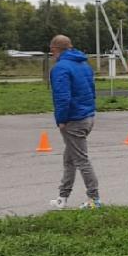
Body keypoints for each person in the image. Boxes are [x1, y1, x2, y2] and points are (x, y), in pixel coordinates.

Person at [47, 34, 100, 209]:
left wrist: (61, 119)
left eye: (51, 51)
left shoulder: (60, 68)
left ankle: (94, 199)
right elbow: (92, 90)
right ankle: (63, 197)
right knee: (69, 159)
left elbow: (62, 97)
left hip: (73, 119)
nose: (51, 54)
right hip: (87, 116)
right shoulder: (84, 64)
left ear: (55, 49)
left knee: (81, 160)